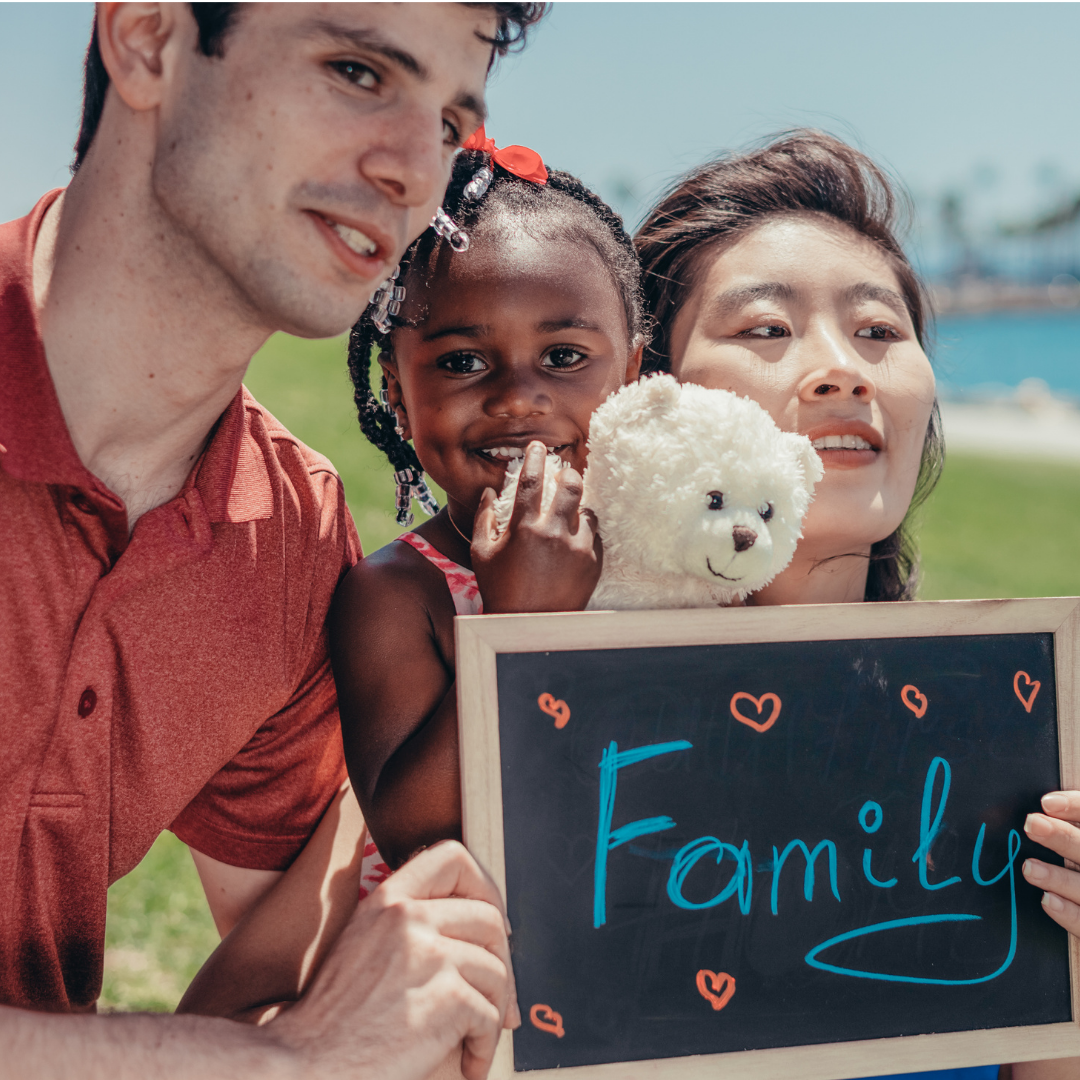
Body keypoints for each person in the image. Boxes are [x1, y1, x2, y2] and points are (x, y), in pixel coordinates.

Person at [0, 3, 545, 1076]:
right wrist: (288, 1060)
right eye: (355, 72)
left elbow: (315, 979)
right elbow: (304, 1041)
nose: (410, 172)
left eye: (449, 123)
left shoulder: (286, 534)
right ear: (150, 39)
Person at [633, 129, 1080, 1080]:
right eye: (765, 329)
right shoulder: (538, 720)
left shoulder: (1020, 732)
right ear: (652, 392)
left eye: (879, 331)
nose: (844, 370)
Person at [173, 136, 647, 1027]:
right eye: (462, 362)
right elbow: (414, 834)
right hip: (459, 997)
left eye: (566, 357)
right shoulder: (399, 593)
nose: (517, 397)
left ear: (636, 371)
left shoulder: (667, 571)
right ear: (396, 390)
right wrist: (516, 629)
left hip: (642, 965)